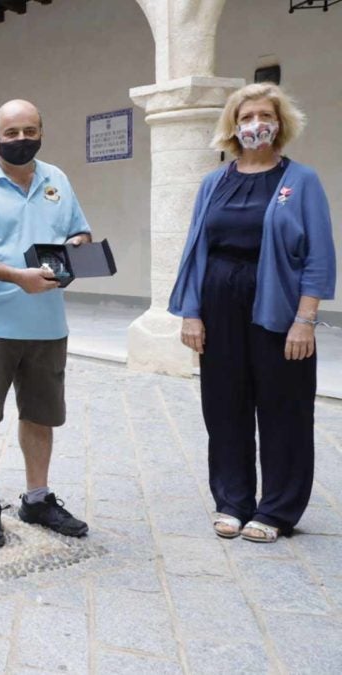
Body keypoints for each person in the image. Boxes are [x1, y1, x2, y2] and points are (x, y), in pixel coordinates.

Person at [170, 83, 335, 544]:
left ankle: (278, 509)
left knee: (284, 408)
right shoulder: (213, 182)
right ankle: (233, 501)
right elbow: (196, 249)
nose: (254, 125)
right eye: (245, 118)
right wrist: (191, 312)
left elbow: (319, 255)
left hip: (278, 307)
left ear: (280, 123)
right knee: (223, 406)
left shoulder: (301, 180)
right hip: (218, 304)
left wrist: (305, 320)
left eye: (264, 115)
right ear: (233, 126)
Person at [0, 99, 92, 548]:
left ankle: (38, 498)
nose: (22, 140)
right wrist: (15, 277)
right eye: (12, 133)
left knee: (40, 415)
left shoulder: (56, 180)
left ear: (41, 133)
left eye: (30, 131)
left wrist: (76, 245)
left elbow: (79, 231)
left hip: (47, 325)